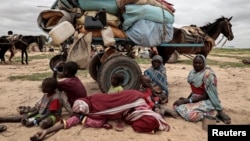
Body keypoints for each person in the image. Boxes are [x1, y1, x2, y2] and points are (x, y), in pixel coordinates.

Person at [30, 90, 170, 141]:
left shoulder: (95, 100)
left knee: (147, 117)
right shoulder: (88, 112)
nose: (79, 113)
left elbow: (114, 100)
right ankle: (158, 111)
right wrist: (45, 132)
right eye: (79, 112)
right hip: (130, 106)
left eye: (80, 111)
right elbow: (68, 123)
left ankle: (158, 110)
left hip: (132, 98)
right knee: (145, 122)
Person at [165, 54, 231, 124]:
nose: (197, 65)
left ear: (204, 63)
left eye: (200, 63)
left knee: (190, 115)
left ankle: (213, 114)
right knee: (176, 105)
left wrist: (188, 100)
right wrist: (186, 99)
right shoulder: (192, 72)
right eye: (195, 63)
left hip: (206, 100)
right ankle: (208, 112)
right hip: (195, 99)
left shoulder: (208, 75)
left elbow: (206, 95)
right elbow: (194, 90)